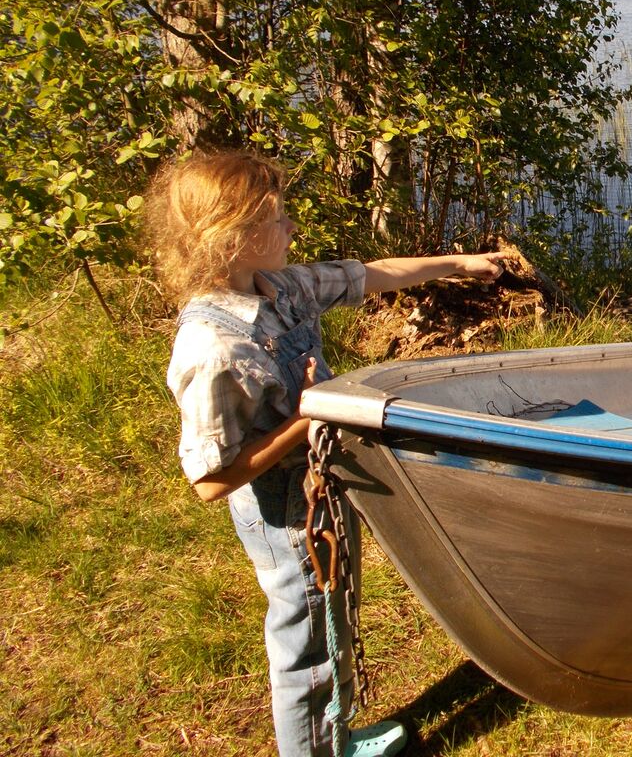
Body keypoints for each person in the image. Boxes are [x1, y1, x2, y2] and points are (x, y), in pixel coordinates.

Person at [145, 150, 508, 757]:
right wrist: (311, 412)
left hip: (325, 487)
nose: (290, 227)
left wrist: (461, 264)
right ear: (233, 238)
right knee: (305, 643)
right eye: (277, 217)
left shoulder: (279, 288)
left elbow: (370, 274)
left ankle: (334, 738)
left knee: (331, 616)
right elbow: (210, 480)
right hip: (287, 515)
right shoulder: (212, 348)